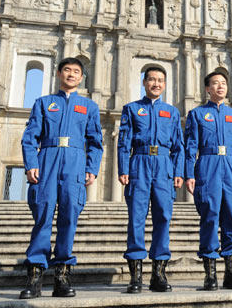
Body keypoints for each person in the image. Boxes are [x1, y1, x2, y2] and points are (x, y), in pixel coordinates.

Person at [20, 57, 103, 299]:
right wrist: (31, 163)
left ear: (81, 77)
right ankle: (34, 276)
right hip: (47, 158)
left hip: (75, 163)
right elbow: (30, 137)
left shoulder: (89, 107)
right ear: (59, 74)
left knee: (69, 218)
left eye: (76, 71)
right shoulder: (44, 103)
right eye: (67, 70)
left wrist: (92, 167)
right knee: (43, 216)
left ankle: (62, 276)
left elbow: (96, 143)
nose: (71, 74)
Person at [118, 67, 184, 293]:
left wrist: (178, 171)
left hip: (164, 166)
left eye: (160, 81)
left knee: (163, 217)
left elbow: (178, 146)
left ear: (164, 85)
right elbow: (124, 142)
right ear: (144, 82)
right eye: (152, 80)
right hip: (139, 163)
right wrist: (123, 167)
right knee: (136, 218)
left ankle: (158, 274)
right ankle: (135, 276)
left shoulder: (172, 112)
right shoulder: (132, 109)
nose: (156, 84)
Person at [185, 71, 232, 291]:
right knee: (210, 218)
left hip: (231, 167)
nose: (221, 87)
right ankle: (210, 275)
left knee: (231, 218)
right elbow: (190, 147)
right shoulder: (197, 114)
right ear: (207, 89)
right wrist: (189, 173)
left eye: (224, 83)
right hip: (207, 165)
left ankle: (231, 273)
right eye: (215, 83)